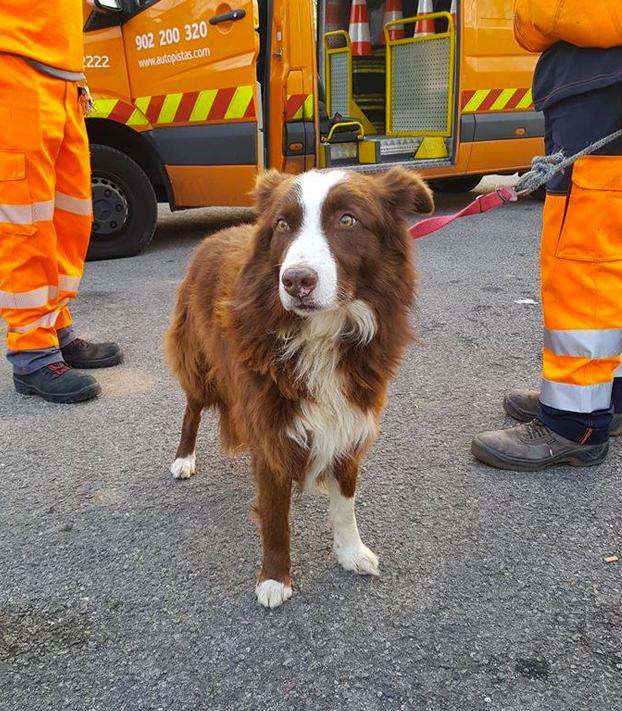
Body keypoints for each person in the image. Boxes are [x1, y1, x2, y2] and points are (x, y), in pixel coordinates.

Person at [471, 1, 622, 471]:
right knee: (608, 248)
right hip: (594, 70)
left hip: (603, 73)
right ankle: (607, 394)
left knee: (585, 256)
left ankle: (573, 422)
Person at [0, 0, 122, 404]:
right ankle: (32, 354)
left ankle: (55, 329)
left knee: (69, 215)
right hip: (14, 64)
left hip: (63, 75)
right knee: (26, 220)